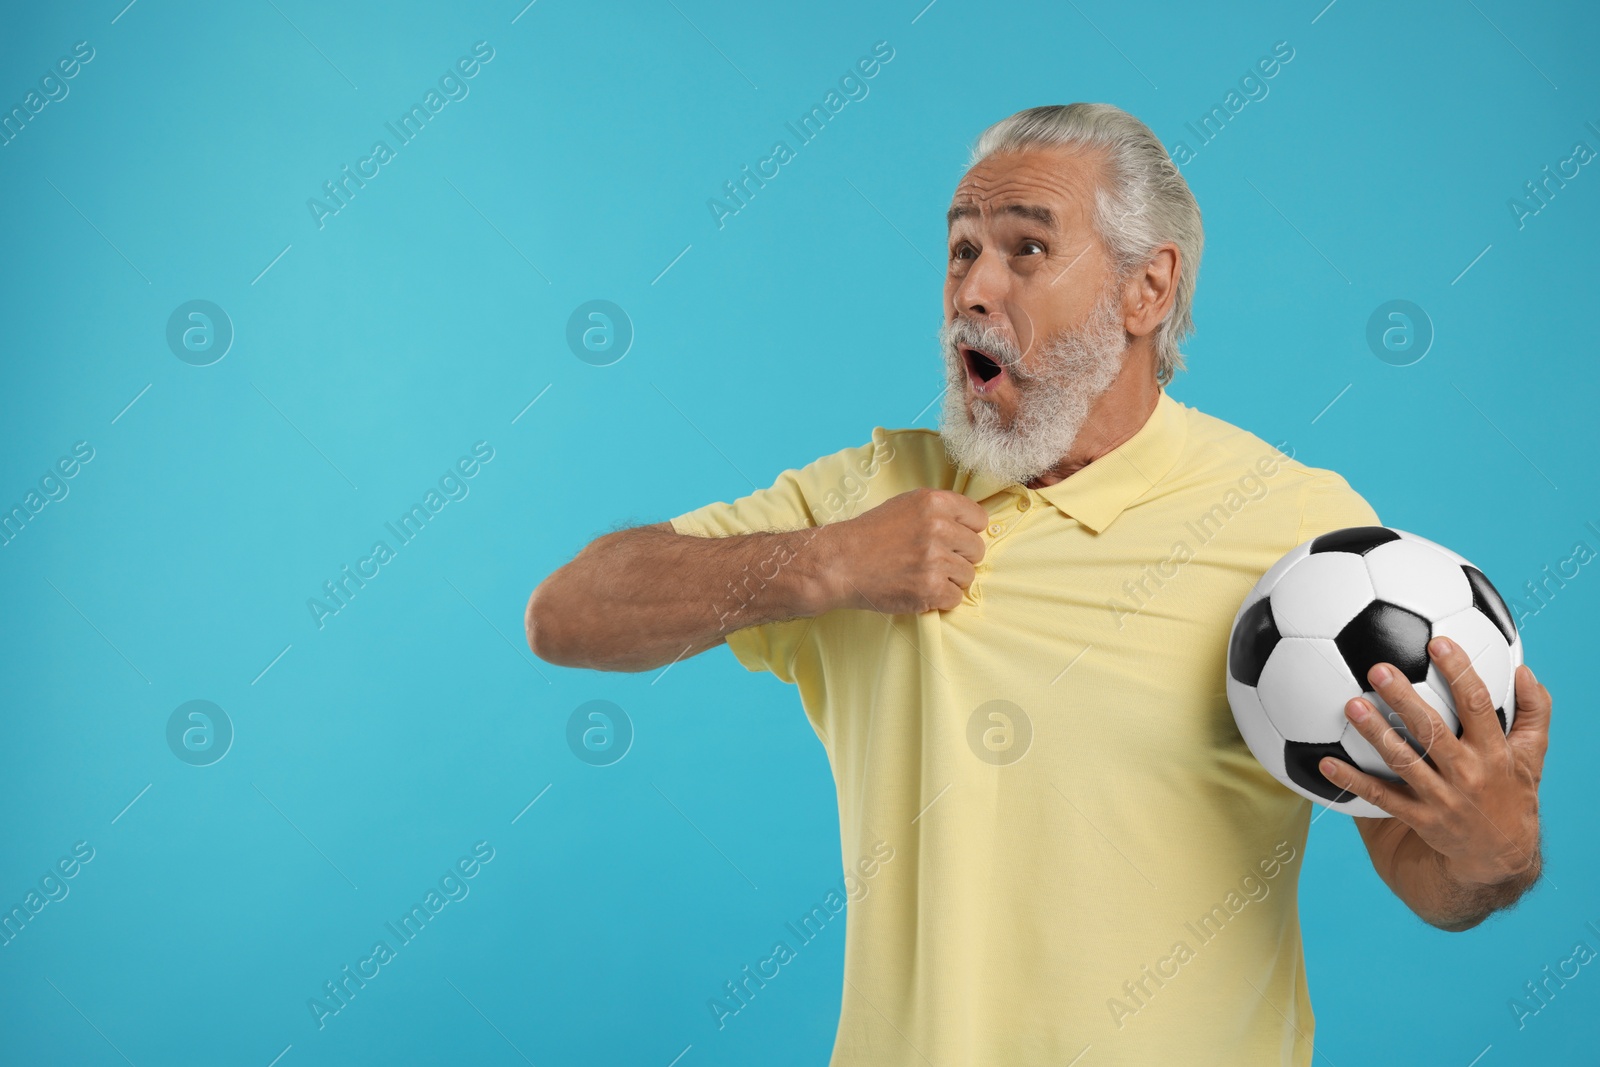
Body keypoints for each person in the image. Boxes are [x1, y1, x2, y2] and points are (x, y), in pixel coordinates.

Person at [524, 103, 1552, 1066]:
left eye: (1026, 247)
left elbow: (1419, 864)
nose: (973, 287)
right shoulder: (872, 491)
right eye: (961, 248)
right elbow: (568, 614)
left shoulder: (1301, 537)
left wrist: (1492, 853)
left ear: (1148, 289)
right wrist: (825, 561)